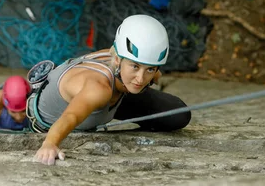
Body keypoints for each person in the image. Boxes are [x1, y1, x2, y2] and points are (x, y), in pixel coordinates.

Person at [31, 15, 191, 165]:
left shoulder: (120, 58)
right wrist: (50, 143)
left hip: (114, 95)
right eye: (135, 66)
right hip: (52, 117)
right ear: (117, 60)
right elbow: (71, 116)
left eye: (149, 69)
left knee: (178, 115)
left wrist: (150, 73)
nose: (140, 79)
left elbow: (149, 73)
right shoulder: (98, 89)